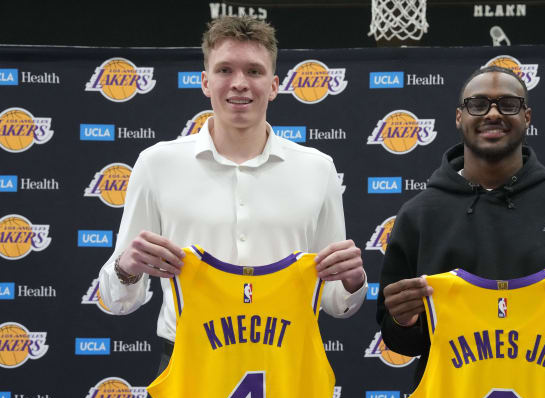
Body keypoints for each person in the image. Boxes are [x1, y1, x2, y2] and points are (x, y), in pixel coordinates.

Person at [98, 15, 367, 378]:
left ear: (273, 85)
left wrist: (353, 282)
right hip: (189, 364)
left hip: (287, 364)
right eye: (225, 69)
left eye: (254, 71)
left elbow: (337, 303)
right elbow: (118, 302)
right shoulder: (157, 164)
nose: (239, 83)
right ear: (206, 82)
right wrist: (126, 268)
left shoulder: (318, 169)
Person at [377, 65, 545, 398]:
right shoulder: (419, 216)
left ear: (528, 116)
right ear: (459, 117)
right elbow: (398, 341)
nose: (493, 113)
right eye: (478, 104)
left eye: (508, 104)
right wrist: (404, 323)